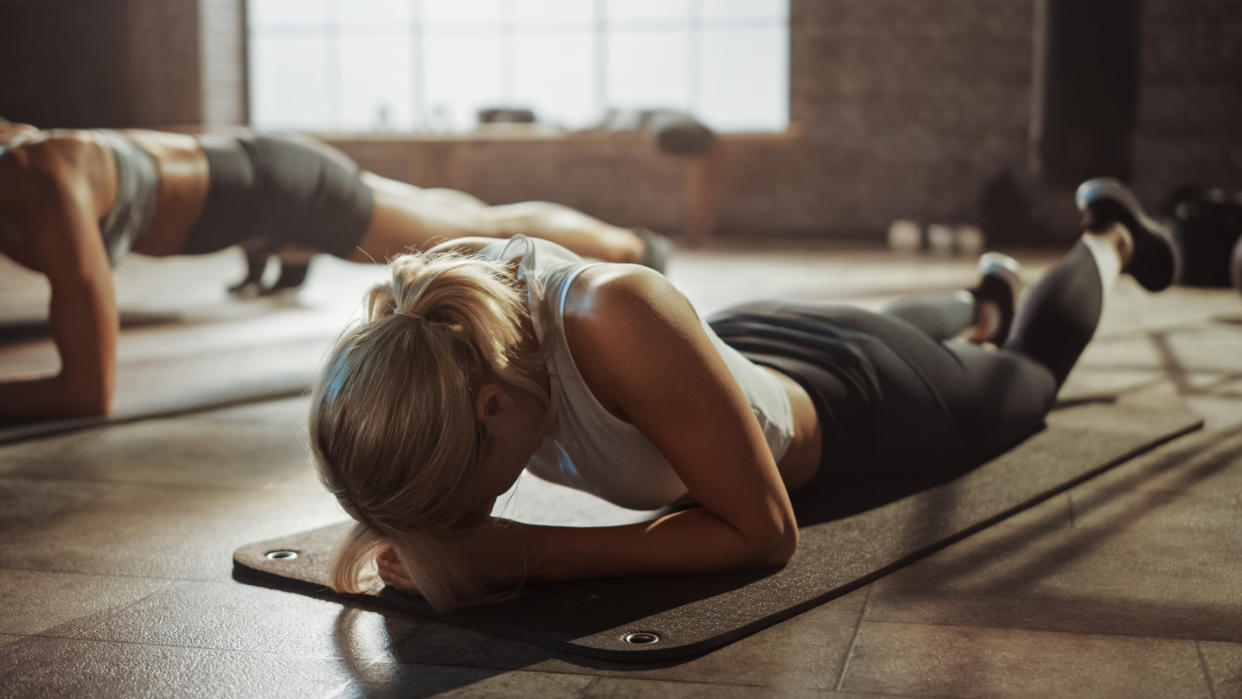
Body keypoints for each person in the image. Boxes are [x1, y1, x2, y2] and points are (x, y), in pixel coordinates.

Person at [308, 178, 1180, 612]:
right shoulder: (440, 337)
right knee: (938, 334)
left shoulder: (612, 314)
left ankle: (1109, 235)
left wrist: (533, 553)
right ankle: (981, 305)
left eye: (469, 499)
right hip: (730, 349)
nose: (475, 514)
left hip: (856, 399)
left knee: (1025, 386)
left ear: (494, 409)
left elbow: (764, 535)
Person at [0, 122, 671, 421]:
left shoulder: (37, 177)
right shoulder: (23, 158)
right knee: (461, 214)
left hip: (285, 192)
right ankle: (626, 245)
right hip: (260, 182)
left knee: (475, 233)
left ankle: (628, 253)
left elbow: (88, 390)